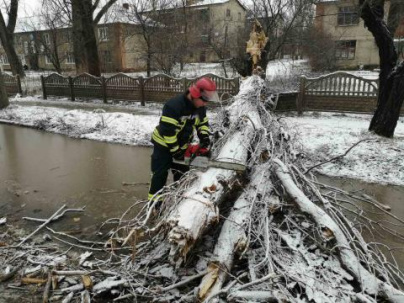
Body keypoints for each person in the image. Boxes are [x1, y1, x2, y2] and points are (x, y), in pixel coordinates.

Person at [148, 77, 219, 207]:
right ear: (194, 95)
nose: (205, 104)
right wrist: (176, 152)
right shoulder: (173, 106)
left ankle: (179, 203)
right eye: (204, 100)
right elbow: (167, 132)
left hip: (181, 145)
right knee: (160, 175)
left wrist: (204, 137)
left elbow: (202, 123)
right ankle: (154, 206)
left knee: (182, 175)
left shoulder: (200, 107)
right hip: (163, 145)